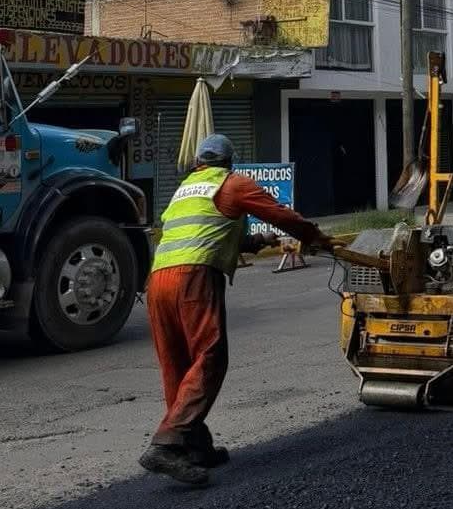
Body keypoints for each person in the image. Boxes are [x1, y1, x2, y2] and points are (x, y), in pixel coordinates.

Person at [139, 134, 333, 485]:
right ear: (230, 163)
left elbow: (207, 229)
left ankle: (194, 445)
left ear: (199, 161)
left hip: (158, 280)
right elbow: (280, 214)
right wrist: (315, 237)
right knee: (210, 356)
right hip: (193, 277)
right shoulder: (231, 184)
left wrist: (256, 242)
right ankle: (166, 444)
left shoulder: (185, 189)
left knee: (178, 363)